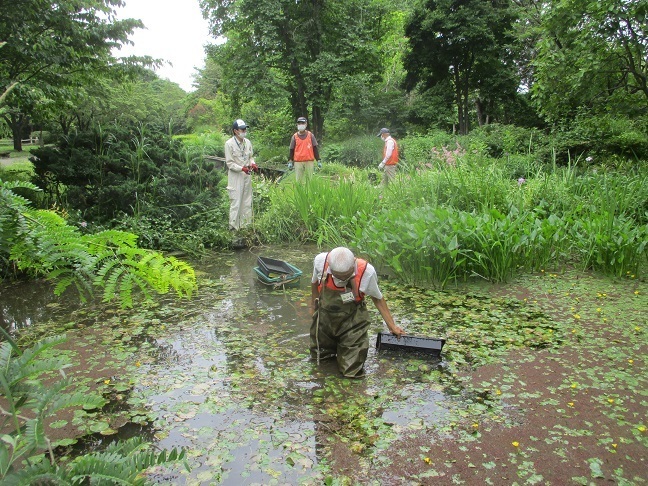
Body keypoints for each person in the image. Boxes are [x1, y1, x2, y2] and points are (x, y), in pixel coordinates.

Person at [310, 247, 405, 378]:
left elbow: (377, 299)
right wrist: (314, 309)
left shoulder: (367, 272)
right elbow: (314, 284)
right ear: (330, 268)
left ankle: (352, 391)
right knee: (321, 359)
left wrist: (392, 326)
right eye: (338, 276)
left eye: (346, 276)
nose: (342, 280)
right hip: (324, 320)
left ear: (353, 264)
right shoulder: (320, 261)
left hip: (352, 323)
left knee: (351, 369)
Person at [224, 119, 259, 231]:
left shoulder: (247, 142)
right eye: (242, 129)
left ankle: (246, 226)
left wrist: (252, 164)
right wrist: (241, 168)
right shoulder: (229, 144)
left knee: (247, 201)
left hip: (247, 175)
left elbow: (250, 157)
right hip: (236, 177)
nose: (244, 131)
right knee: (236, 202)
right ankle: (233, 228)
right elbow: (230, 163)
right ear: (235, 131)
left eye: (245, 129)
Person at [289, 116, 321, 182]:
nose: (301, 125)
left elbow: (315, 148)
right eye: (299, 123)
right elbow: (291, 150)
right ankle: (299, 192)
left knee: (310, 180)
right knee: (299, 181)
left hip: (309, 161)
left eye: (302, 123)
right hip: (298, 162)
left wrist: (318, 160)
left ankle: (310, 192)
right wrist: (290, 161)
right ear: (297, 125)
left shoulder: (310, 135)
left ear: (306, 124)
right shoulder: (294, 137)